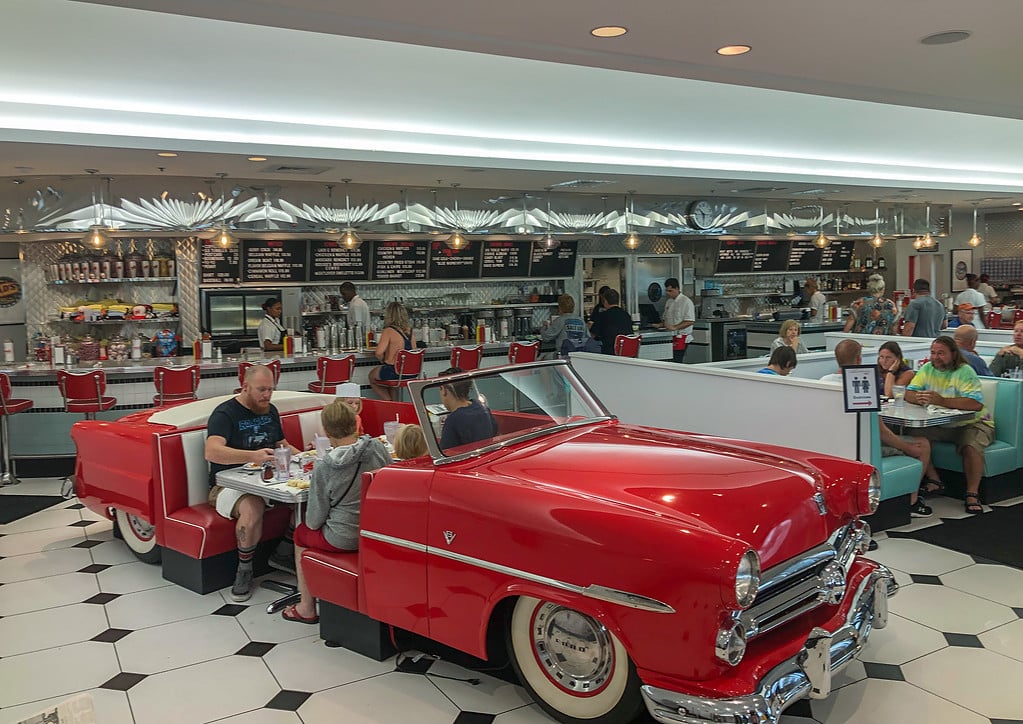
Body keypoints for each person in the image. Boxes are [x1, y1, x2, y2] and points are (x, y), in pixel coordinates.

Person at [281, 400, 391, 624]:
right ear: (354, 423)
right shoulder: (377, 448)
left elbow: (313, 521)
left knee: (300, 534)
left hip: (344, 538)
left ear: (327, 431)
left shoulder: (326, 466)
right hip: (376, 531)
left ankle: (306, 607)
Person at [205, 365, 301, 601]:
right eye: (261, 389)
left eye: (270, 389)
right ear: (245, 387)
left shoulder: (270, 411)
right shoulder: (225, 414)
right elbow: (212, 452)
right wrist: (251, 456)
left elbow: (283, 446)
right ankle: (244, 570)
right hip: (228, 486)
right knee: (252, 505)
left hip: (268, 480)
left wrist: (306, 458)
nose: (266, 395)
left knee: (308, 497)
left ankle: (283, 552)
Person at [818, 339, 933, 516]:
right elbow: (880, 432)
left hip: (834, 447)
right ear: (859, 359)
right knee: (923, 444)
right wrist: (908, 448)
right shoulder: (863, 385)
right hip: (864, 451)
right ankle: (911, 502)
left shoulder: (822, 382)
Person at [905, 336, 995, 514]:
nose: (936, 357)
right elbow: (909, 392)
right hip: (942, 424)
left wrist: (943, 401)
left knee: (971, 446)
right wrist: (918, 398)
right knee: (915, 436)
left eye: (941, 353)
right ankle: (934, 480)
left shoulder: (965, 371)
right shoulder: (927, 368)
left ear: (953, 354)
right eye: (933, 353)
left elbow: (975, 404)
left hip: (973, 422)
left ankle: (972, 493)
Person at [368, 301, 416, 401]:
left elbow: (379, 352)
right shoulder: (410, 331)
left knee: (371, 377)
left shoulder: (388, 331)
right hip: (410, 373)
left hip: (393, 372)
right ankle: (395, 404)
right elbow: (414, 352)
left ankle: (389, 401)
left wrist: (384, 361)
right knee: (393, 385)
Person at [438, 371, 498, 450]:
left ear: (443, 390)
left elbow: (446, 452)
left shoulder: (453, 420)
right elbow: (495, 431)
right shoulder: (482, 408)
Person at [658, 277, 695, 363]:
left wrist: (675, 327)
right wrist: (661, 325)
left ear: (677, 288)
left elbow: (690, 320)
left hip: (681, 337)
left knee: (677, 360)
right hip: (670, 336)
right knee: (668, 360)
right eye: (667, 291)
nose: (668, 293)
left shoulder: (686, 301)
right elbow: (666, 318)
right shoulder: (669, 302)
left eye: (670, 291)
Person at [588, 288, 634, 355]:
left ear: (605, 301)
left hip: (609, 352)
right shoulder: (626, 315)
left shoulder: (603, 316)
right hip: (626, 352)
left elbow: (593, 335)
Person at [541, 294, 587, 359]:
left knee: (543, 358)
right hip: (579, 356)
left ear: (560, 307)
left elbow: (546, 337)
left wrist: (544, 326)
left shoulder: (560, 320)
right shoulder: (582, 321)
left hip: (563, 355)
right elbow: (588, 338)